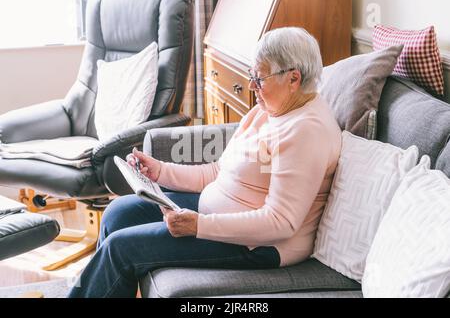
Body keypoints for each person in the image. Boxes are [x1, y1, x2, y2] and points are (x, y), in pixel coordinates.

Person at [68, 27, 342, 298]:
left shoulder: (307, 132)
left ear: (293, 79)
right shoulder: (268, 113)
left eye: (259, 78)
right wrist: (160, 171)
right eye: (252, 76)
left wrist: (199, 226)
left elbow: (281, 221)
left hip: (256, 245)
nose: (251, 86)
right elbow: (218, 172)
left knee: (121, 249)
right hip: (217, 216)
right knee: (118, 212)